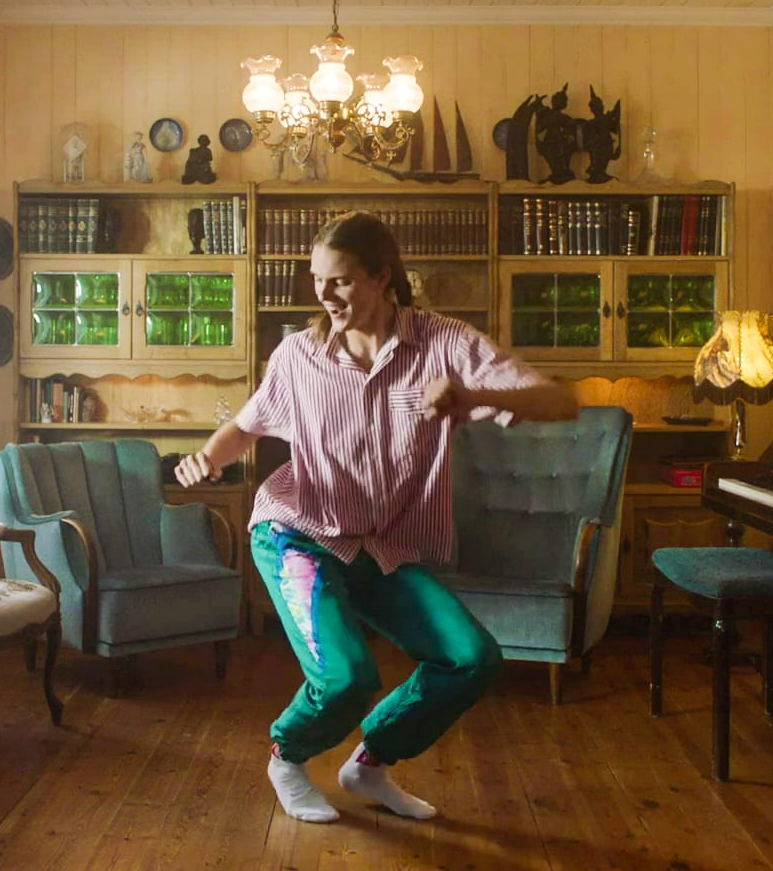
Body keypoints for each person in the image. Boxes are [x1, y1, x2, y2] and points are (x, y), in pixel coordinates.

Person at [176, 212, 579, 823]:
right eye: (316, 279)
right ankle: (287, 757)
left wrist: (475, 396)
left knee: (471, 658)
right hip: (296, 534)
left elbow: (560, 401)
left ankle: (369, 764)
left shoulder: (445, 344)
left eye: (339, 280)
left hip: (380, 545)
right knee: (347, 678)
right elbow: (246, 425)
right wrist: (207, 458)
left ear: (381, 276)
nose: (323, 293)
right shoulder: (298, 355)